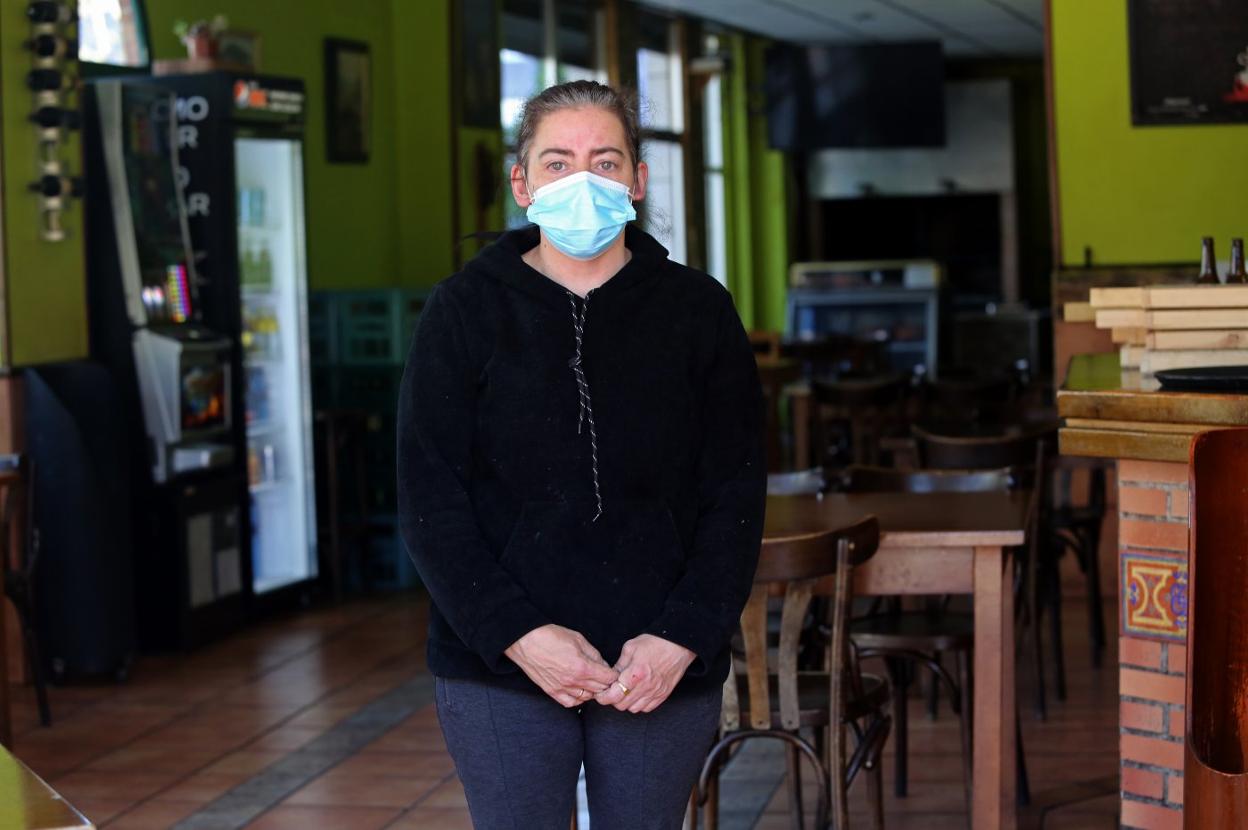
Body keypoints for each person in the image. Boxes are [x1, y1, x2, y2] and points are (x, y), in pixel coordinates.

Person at [397, 79, 765, 829]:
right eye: (558, 162)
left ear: (637, 178)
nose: (584, 180)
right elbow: (429, 500)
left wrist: (682, 637)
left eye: (605, 160)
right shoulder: (463, 310)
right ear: (522, 182)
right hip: (498, 663)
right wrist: (518, 637)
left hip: (657, 663)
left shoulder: (698, 311)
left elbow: (735, 493)